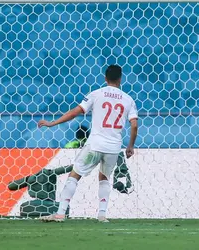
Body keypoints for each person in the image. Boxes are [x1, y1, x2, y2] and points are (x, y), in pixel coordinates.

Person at [38, 65, 138, 222]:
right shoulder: (128, 99)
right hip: (113, 147)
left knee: (75, 175)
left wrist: (52, 123)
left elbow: (74, 112)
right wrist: (130, 146)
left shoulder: (96, 94)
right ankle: (102, 215)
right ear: (120, 79)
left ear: (105, 78)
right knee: (104, 178)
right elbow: (134, 125)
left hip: (95, 144)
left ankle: (60, 213)